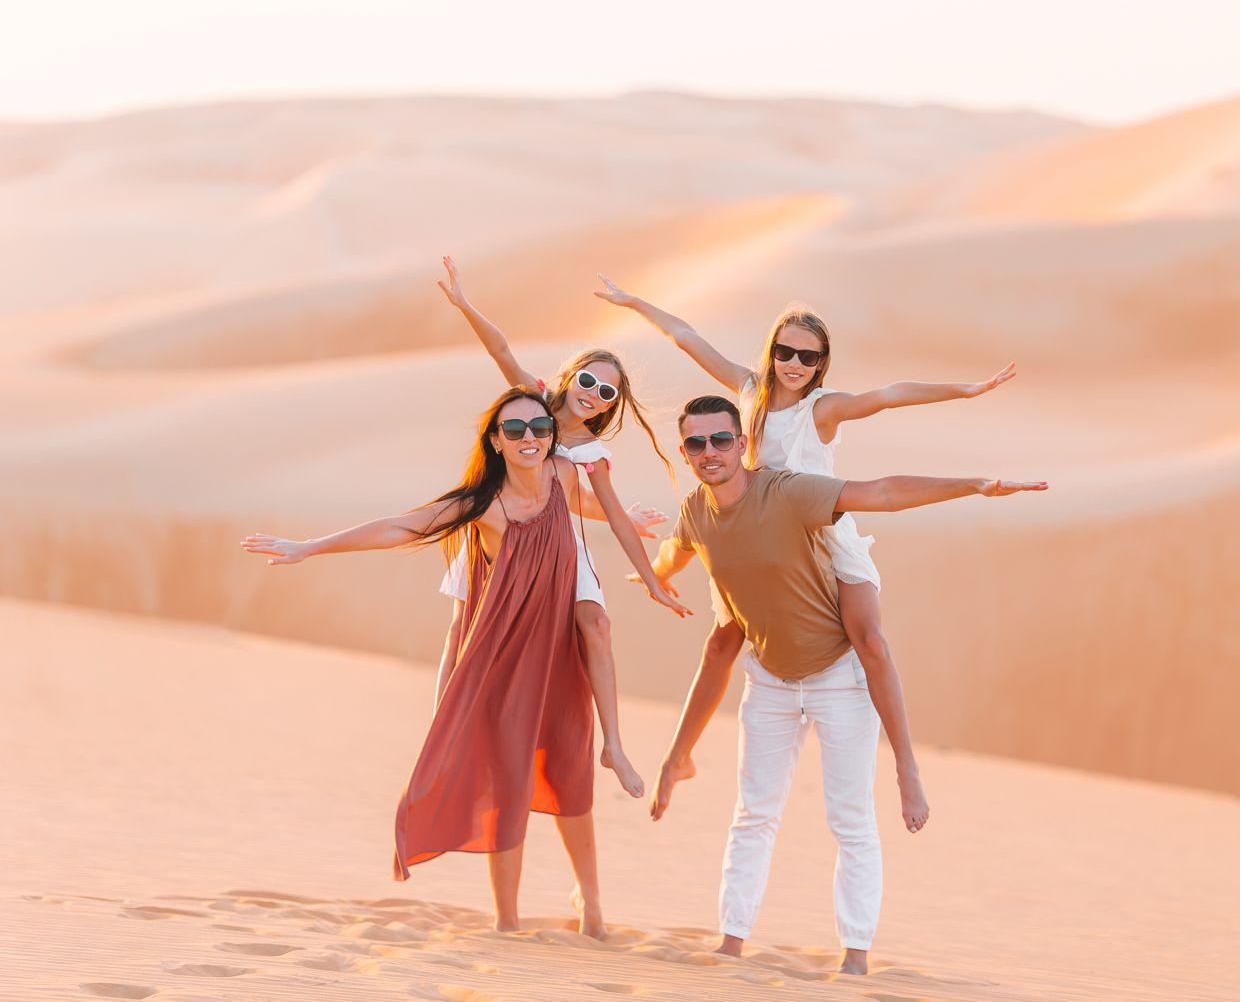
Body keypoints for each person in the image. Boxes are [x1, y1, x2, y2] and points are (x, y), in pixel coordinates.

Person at [241, 386, 686, 937]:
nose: (530, 438)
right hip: (504, 661)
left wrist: (640, 536)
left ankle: (592, 906)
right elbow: (399, 527)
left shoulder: (564, 479)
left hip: (556, 650)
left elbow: (604, 512)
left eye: (540, 429)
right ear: (496, 442)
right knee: (511, 785)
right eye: (515, 430)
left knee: (570, 777)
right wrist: (311, 546)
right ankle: (507, 921)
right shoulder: (483, 505)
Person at [638, 393, 1046, 974]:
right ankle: (731, 940)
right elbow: (679, 564)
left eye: (721, 439)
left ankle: (855, 954)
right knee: (753, 813)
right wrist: (650, 576)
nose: (709, 452)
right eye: (696, 443)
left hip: (838, 680)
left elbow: (881, 493)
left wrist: (975, 484)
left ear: (741, 444)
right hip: (770, 684)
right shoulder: (694, 513)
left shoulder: (786, 493)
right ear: (684, 451)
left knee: (850, 820)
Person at [596, 275, 1014, 830]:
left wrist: (965, 391)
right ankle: (678, 758)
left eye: (808, 357)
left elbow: (890, 395)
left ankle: (907, 768)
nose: (795, 363)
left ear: (821, 364)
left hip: (820, 530)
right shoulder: (746, 391)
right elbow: (685, 336)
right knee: (721, 643)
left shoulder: (823, 409)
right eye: (785, 351)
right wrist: (631, 302)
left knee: (870, 639)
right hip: (756, 533)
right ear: (772, 352)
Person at [436, 256, 680, 797]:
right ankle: (443, 726)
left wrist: (654, 577)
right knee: (461, 627)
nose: (593, 392)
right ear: (571, 377)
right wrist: (464, 304)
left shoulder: (591, 452)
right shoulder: (533, 405)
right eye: (589, 380)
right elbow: (502, 351)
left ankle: (613, 745)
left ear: (610, 406)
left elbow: (599, 510)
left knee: (597, 624)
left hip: (557, 547)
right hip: (498, 531)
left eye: (607, 392)